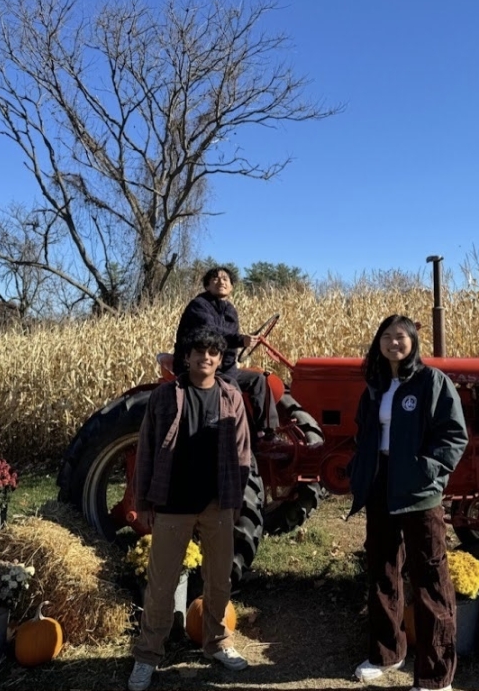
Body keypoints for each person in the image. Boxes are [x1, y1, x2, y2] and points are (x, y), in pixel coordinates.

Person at [347, 315, 469, 691]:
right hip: (381, 484)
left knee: (429, 578)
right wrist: (360, 467)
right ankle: (387, 653)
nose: (393, 343)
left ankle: (436, 676)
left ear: (413, 342)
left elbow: (453, 435)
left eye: (400, 337)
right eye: (386, 337)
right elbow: (364, 429)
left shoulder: (432, 382)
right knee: (382, 568)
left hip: (419, 491)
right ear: (378, 343)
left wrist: (426, 471)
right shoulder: (376, 385)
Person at [127, 328, 251, 691]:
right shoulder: (166, 397)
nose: (206, 358)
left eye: (213, 352)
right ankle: (147, 656)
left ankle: (217, 643)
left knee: (218, 580)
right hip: (173, 504)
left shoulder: (231, 396)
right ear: (187, 357)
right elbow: (147, 448)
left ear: (220, 358)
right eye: (199, 352)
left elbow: (242, 452)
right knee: (161, 585)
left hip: (216, 504)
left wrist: (236, 499)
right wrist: (144, 501)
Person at [173, 266, 278, 436]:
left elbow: (229, 347)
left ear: (231, 287)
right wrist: (240, 340)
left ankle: (267, 432)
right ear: (207, 286)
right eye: (215, 278)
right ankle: (242, 437)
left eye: (225, 279)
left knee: (260, 380)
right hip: (198, 366)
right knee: (231, 388)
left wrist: (234, 361)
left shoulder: (230, 310)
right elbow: (211, 333)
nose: (221, 281)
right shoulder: (199, 306)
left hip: (224, 367)